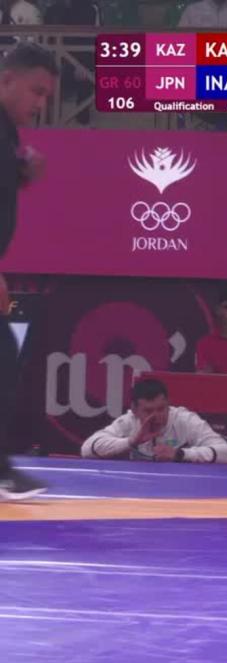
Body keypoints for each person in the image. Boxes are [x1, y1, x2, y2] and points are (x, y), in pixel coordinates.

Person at [0, 43, 54, 500]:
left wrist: (20, 174)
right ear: (6, 80)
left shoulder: (8, 133)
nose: (40, 103)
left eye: (47, 96)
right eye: (36, 91)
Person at [81, 378, 227, 463]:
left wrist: (180, 454)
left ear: (168, 403)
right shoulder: (128, 421)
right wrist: (131, 442)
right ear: (134, 410)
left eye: (161, 408)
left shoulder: (185, 420)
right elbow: (87, 449)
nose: (156, 416)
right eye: (148, 411)